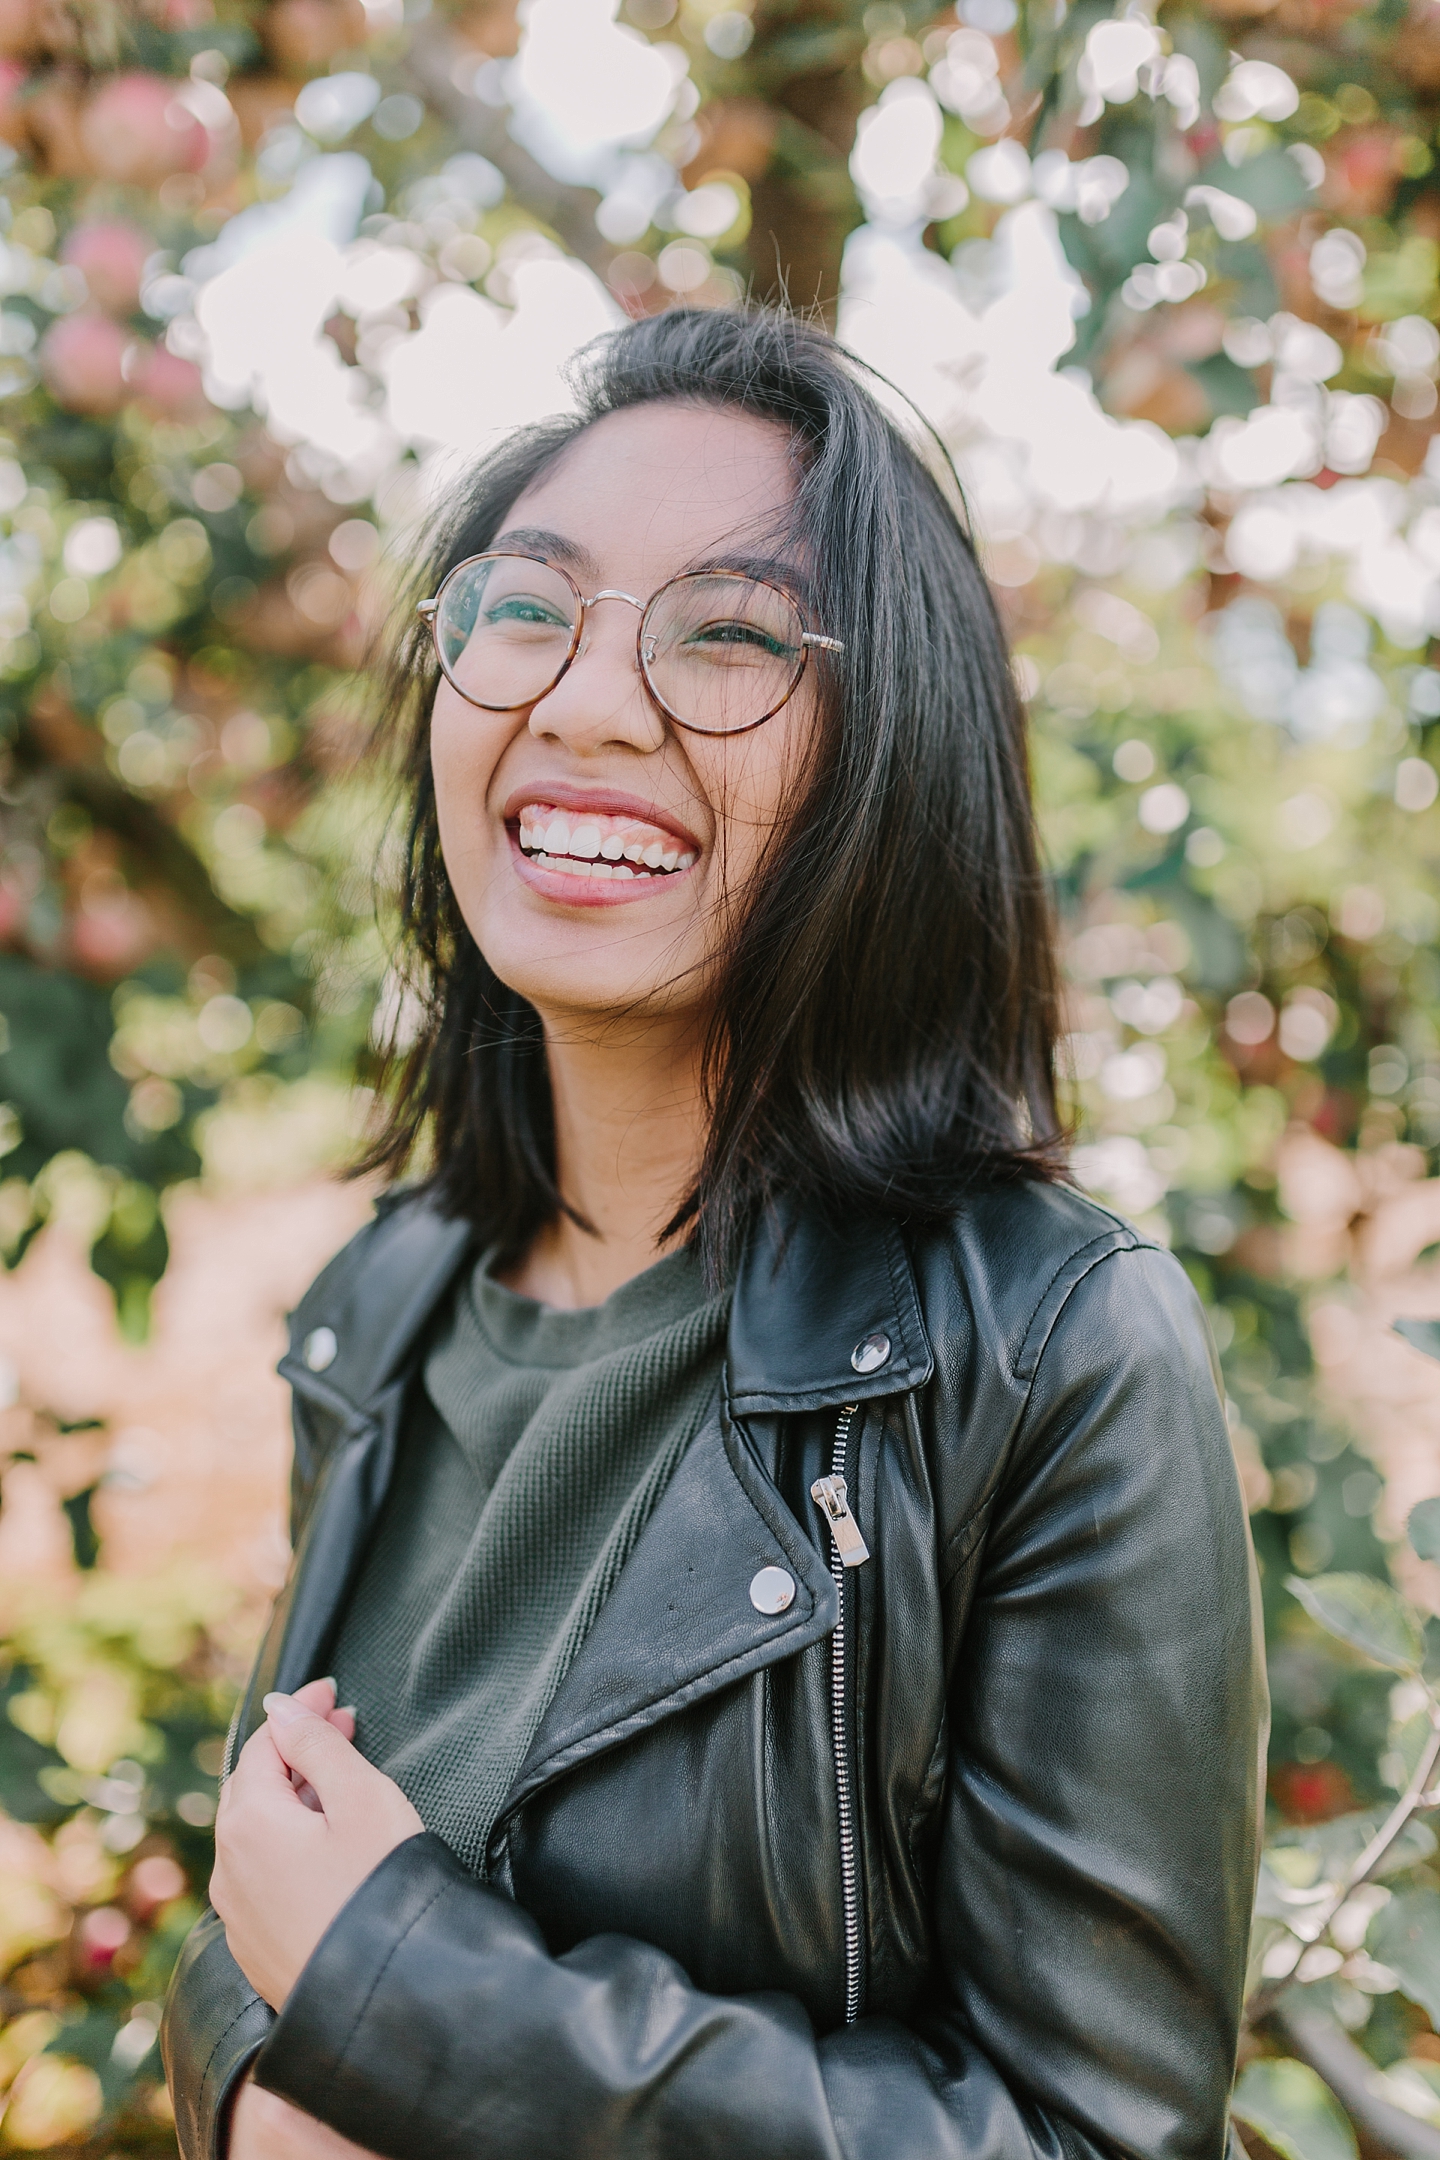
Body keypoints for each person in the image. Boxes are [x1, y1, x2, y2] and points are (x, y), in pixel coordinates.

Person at [161, 305, 1265, 2160]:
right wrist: (247, 2083)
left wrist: (412, 1997)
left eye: (732, 637)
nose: (584, 703)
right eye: (527, 607)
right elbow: (264, 1885)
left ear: (885, 759)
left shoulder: (1049, 1353)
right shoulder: (388, 1305)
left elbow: (1097, 2136)